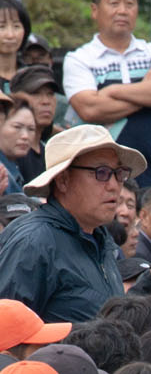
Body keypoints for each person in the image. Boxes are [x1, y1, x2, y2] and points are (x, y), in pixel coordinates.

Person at [0, 126, 140, 323]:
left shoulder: (102, 240)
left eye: (119, 173)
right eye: (101, 173)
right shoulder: (34, 242)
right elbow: (7, 330)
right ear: (63, 180)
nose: (114, 185)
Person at [62, 0, 151, 185]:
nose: (122, 10)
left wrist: (113, 91)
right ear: (95, 10)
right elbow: (90, 108)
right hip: (101, 176)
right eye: (114, 3)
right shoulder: (79, 59)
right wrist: (145, 91)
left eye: (129, 3)